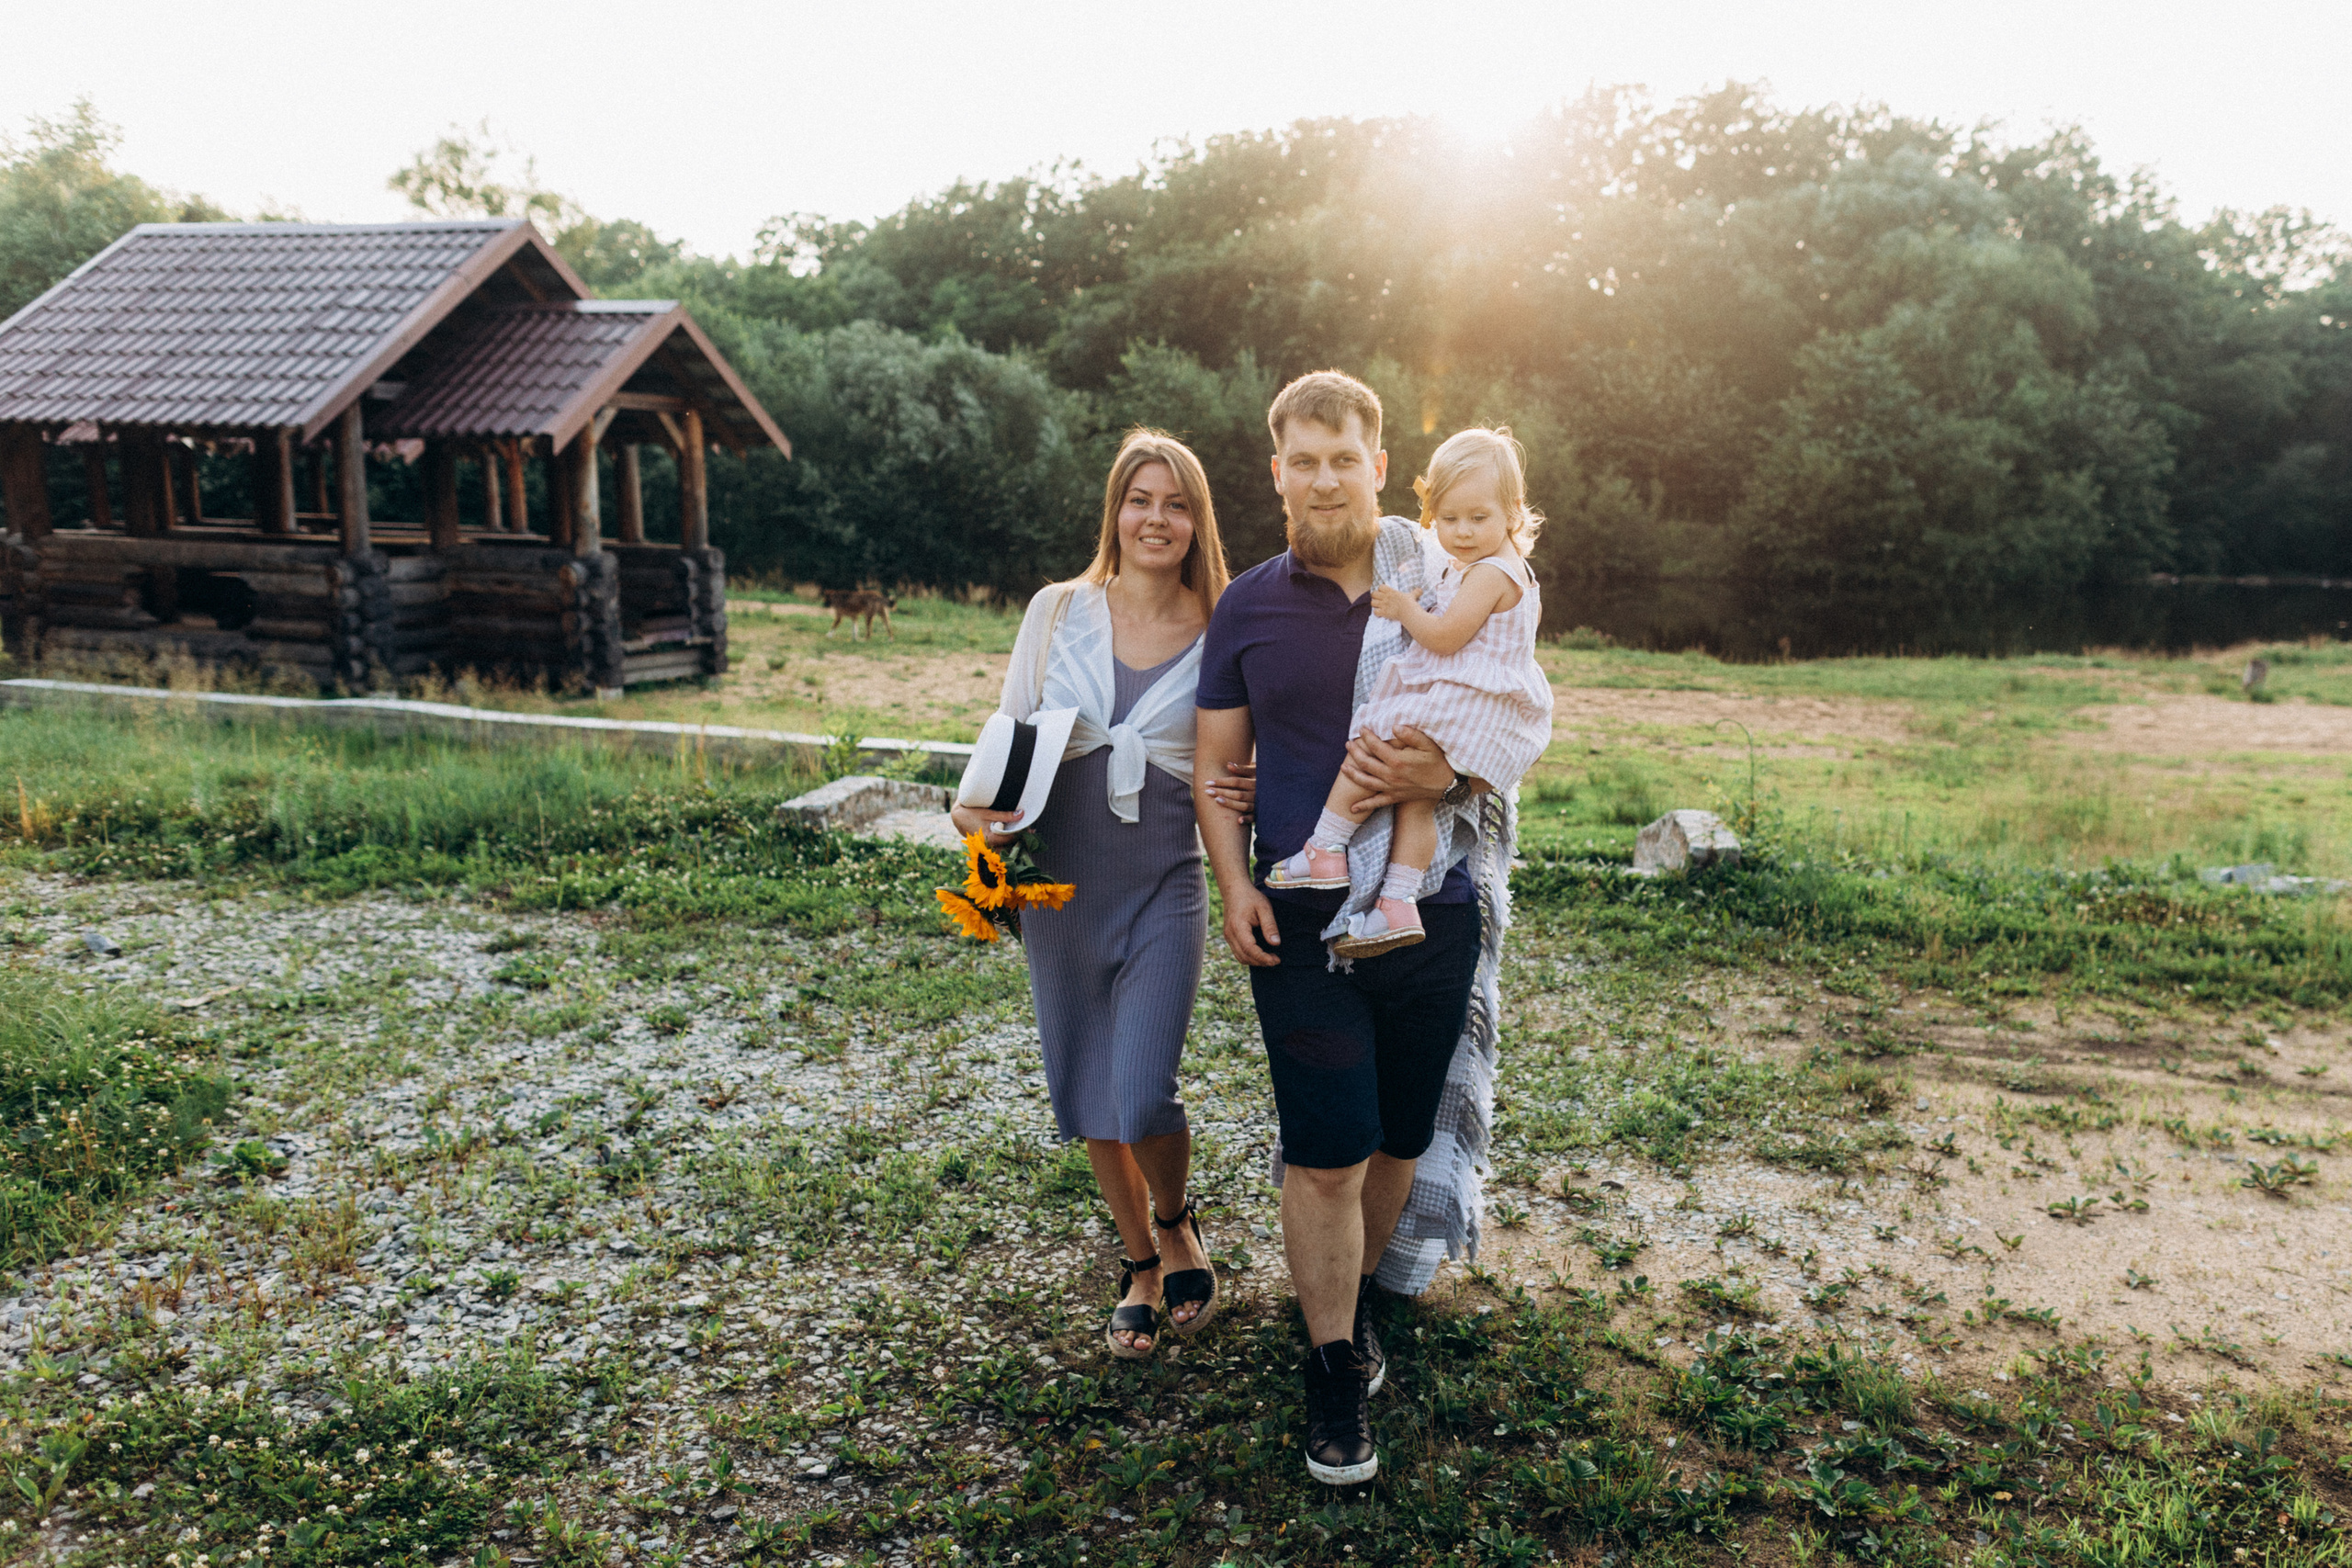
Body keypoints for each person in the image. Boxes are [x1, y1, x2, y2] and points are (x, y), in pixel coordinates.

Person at [1195, 371, 1516, 1486]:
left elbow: (1512, 708)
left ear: (1379, 467)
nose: (1323, 477)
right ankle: (1330, 1362)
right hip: (1300, 916)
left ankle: (1359, 1303)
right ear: (1274, 467)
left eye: (1345, 458)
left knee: (1395, 1138)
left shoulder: (1442, 571)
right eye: (1302, 458)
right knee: (1326, 1150)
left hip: (1431, 910)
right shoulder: (1245, 606)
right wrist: (1232, 884)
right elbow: (1213, 765)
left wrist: (1450, 765)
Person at [951, 429, 1250, 1359]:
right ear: (1114, 511)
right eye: (1139, 499)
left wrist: (1252, 789)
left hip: (1166, 876)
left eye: (1175, 504)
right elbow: (1007, 735)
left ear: (1197, 521)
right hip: (1061, 878)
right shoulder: (1056, 610)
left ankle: (1176, 1218)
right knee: (1085, 1083)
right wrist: (977, 820)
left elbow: (1242, 758)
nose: (1155, 519)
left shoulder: (1224, 624)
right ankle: (1138, 1264)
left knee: (1143, 1085)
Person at [1266, 427, 1553, 956]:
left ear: (1512, 511)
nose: (1462, 532)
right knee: (1415, 802)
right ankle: (1398, 903)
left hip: (1462, 699)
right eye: (1447, 519)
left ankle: (1326, 848)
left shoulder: (1491, 573)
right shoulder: (1491, 565)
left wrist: (1403, 608)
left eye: (1477, 518)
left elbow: (1444, 638)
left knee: (1372, 740)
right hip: (1476, 702)